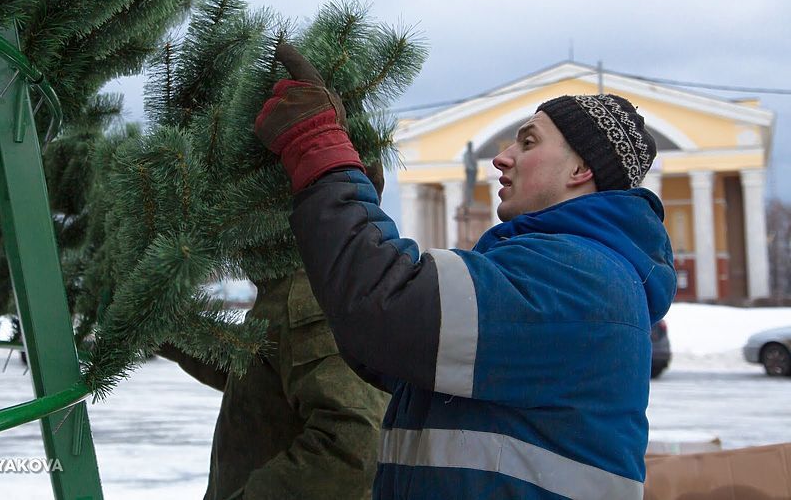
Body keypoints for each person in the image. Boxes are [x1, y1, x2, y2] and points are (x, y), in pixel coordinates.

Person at [254, 44, 677, 500]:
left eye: (529, 141)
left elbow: (387, 312)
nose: (502, 157)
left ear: (581, 168)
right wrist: (352, 205)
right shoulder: (571, 270)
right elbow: (390, 353)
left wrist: (320, 150)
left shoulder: (580, 278)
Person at [157, 189, 390, 498]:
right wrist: (158, 328)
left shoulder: (310, 293)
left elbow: (354, 446)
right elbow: (260, 369)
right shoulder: (296, 284)